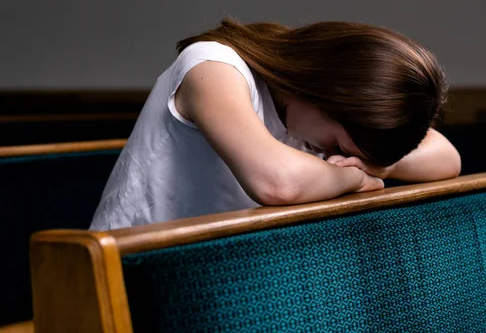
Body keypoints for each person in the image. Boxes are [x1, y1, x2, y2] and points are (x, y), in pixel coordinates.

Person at [90, 18, 461, 230]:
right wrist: (356, 178)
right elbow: (278, 183)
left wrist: (375, 162)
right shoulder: (213, 66)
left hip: (219, 277)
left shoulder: (319, 121)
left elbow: (447, 158)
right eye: (339, 145)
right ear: (326, 93)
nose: (331, 155)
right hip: (121, 276)